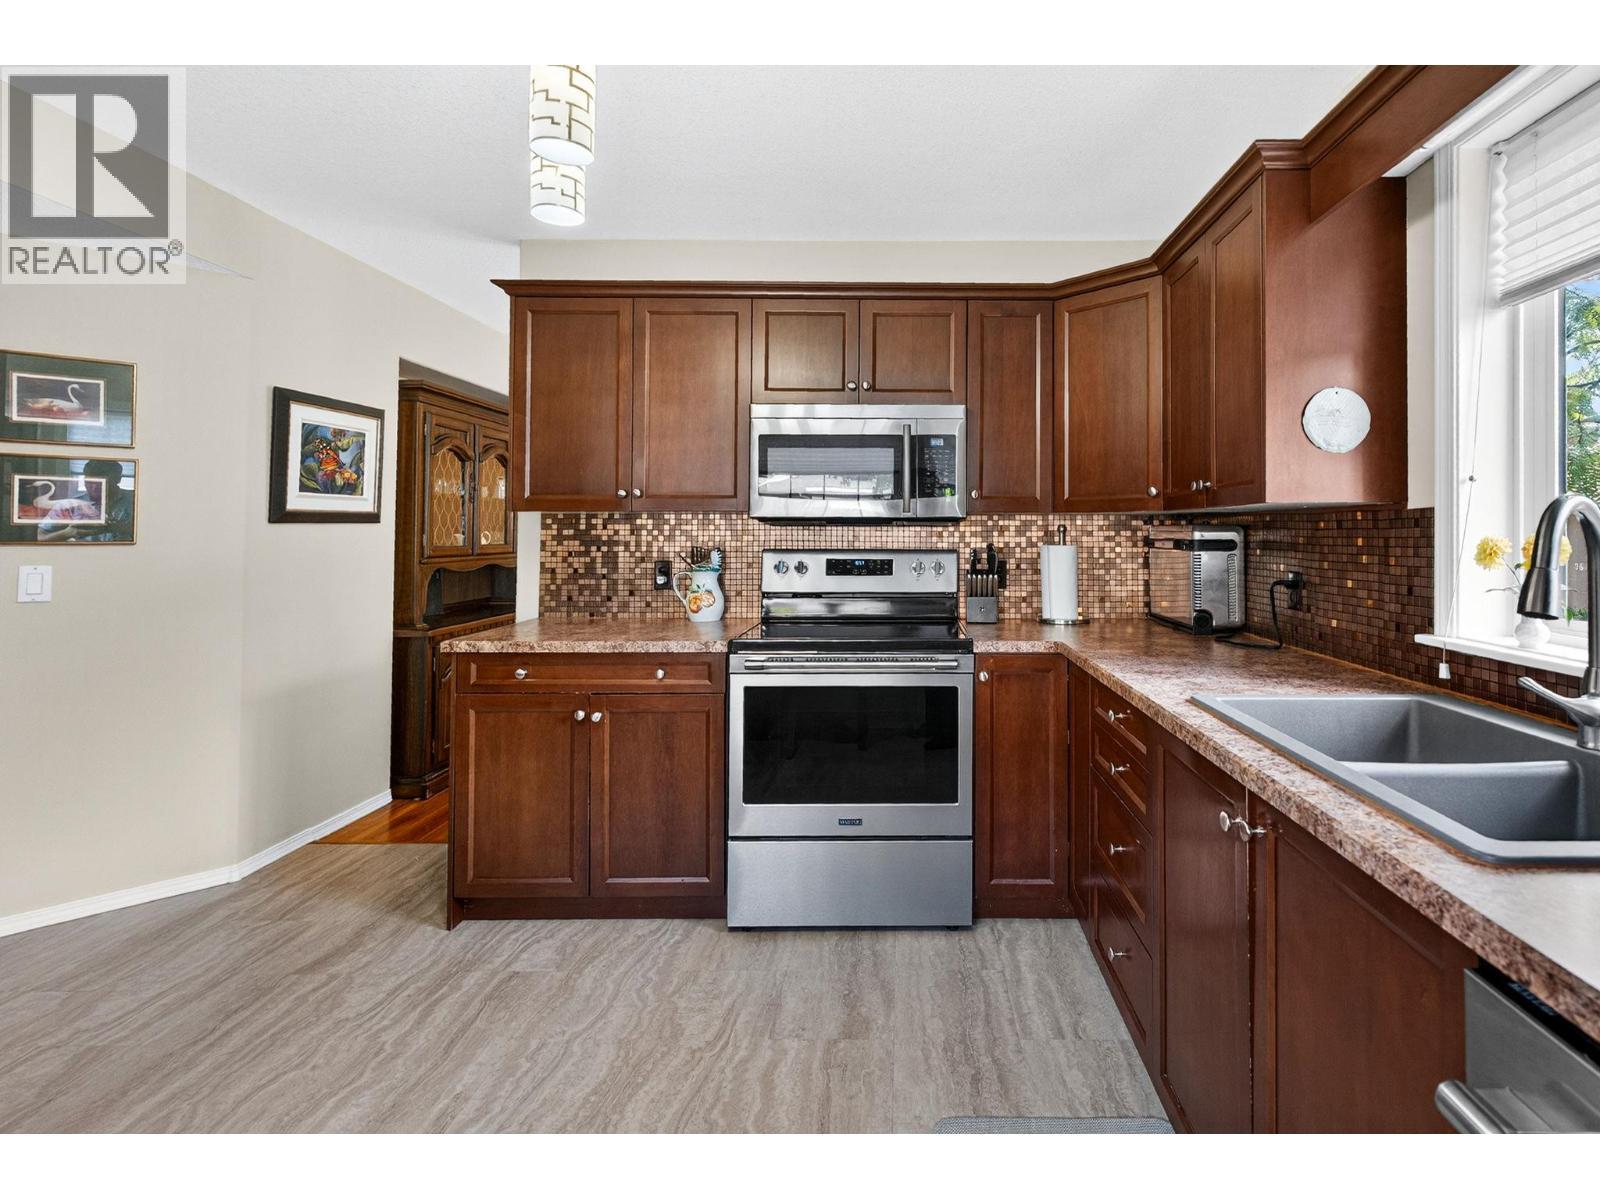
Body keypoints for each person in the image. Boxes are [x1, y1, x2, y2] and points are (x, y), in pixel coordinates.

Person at [36, 459, 133, 543]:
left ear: (118, 479)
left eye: (101, 483)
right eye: (89, 482)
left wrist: (122, 528)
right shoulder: (68, 505)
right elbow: (40, 536)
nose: (94, 488)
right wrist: (69, 533)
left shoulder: (136, 500)